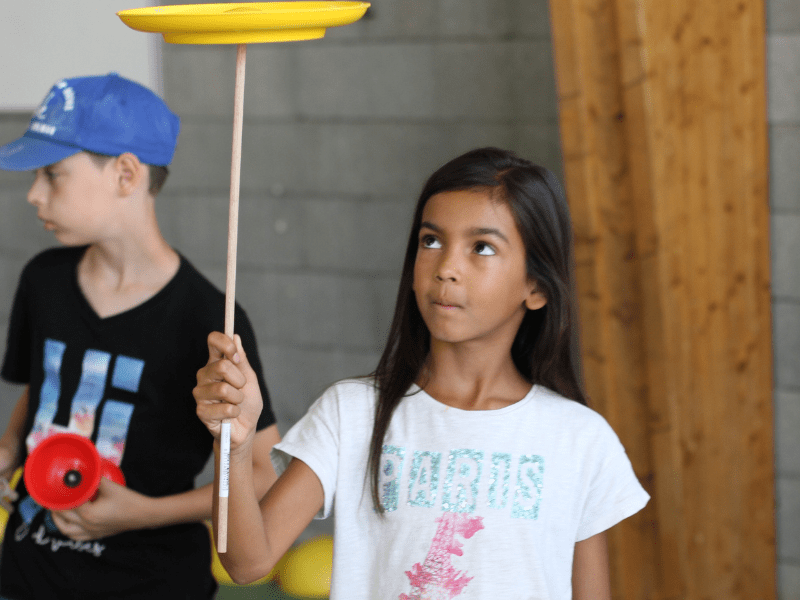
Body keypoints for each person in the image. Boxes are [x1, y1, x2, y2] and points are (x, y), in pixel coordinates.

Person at [194, 147, 650, 599]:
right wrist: (233, 444)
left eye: (482, 248)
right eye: (431, 240)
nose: (446, 268)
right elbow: (248, 562)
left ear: (536, 286)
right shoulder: (351, 413)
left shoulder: (580, 438)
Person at [0, 73, 280, 600]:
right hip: (26, 573)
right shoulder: (43, 280)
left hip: (151, 583)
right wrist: (11, 446)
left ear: (126, 174)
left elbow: (263, 472)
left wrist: (143, 514)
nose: (35, 194)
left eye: (53, 174)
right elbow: (41, 387)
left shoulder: (209, 318)